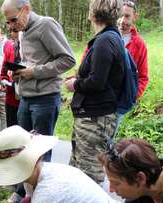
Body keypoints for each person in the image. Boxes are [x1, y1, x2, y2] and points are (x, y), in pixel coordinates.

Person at [1, 0, 76, 161]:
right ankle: (23, 186)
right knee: (23, 148)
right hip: (25, 97)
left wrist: (34, 72)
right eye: (7, 22)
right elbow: (34, 61)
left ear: (26, 9)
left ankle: (40, 186)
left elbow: (68, 60)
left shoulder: (46, 25)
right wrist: (19, 72)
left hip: (45, 98)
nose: (10, 26)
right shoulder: (23, 32)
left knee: (40, 153)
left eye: (13, 20)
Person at [65, 0, 125, 184]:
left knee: (87, 178)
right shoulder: (111, 38)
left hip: (95, 119)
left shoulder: (105, 40)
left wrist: (75, 84)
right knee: (77, 172)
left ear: (93, 14)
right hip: (93, 117)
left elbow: (97, 81)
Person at [118, 1, 148, 99]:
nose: (122, 20)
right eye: (120, 15)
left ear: (134, 17)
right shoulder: (105, 36)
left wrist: (133, 96)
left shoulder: (139, 44)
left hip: (122, 102)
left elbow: (143, 77)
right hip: (99, 98)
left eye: (127, 16)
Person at [0, 28, 21, 128]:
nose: (15, 33)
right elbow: (3, 71)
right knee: (12, 132)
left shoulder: (33, 49)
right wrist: (4, 81)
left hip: (28, 99)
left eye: (16, 30)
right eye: (14, 31)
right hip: (11, 99)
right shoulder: (9, 48)